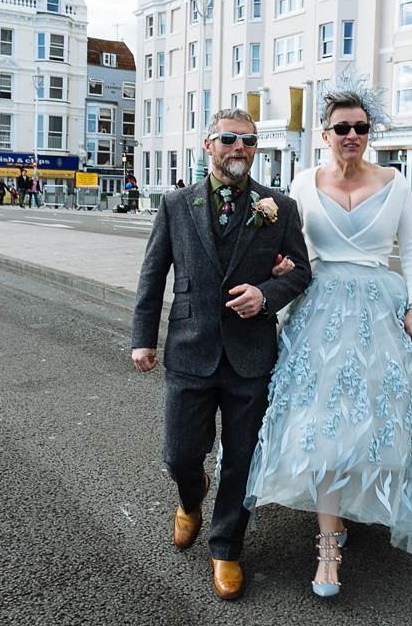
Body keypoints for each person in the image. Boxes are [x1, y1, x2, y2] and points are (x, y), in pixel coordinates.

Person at [244, 77, 412, 597]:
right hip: (320, 312)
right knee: (323, 429)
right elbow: (290, 249)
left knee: (373, 426)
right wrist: (277, 271)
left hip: (382, 314)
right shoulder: (300, 181)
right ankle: (327, 549)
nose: (353, 135)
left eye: (362, 127)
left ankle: (348, 510)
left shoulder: (395, 182)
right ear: (325, 133)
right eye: (343, 127)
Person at [131, 109, 312, 600]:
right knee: (180, 454)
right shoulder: (174, 205)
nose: (240, 148)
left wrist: (267, 295)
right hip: (190, 348)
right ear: (208, 145)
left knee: (242, 459)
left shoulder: (279, 206)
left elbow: (300, 274)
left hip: (251, 354)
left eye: (249, 141)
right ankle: (192, 497)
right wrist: (142, 337)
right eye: (229, 139)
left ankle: (226, 548)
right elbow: (152, 277)